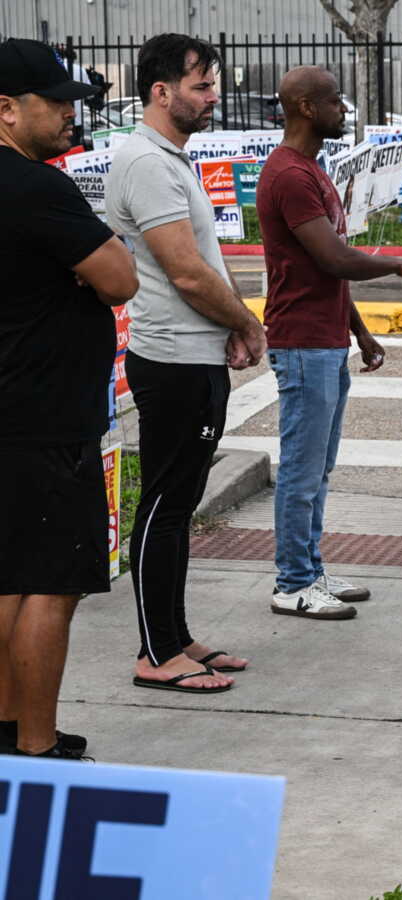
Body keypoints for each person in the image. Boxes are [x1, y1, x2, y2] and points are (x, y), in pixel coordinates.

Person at [106, 34, 267, 693]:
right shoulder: (147, 162)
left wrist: (227, 327)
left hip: (195, 354)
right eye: (201, 87)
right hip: (171, 358)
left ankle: (175, 637)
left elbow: (204, 263)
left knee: (180, 501)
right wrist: (245, 320)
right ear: (161, 92)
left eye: (213, 85)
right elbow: (186, 274)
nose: (214, 97)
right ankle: (154, 653)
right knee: (166, 505)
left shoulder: (171, 159)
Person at [0, 38, 138, 757]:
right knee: (51, 584)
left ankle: (6, 730)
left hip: (12, 411)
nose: (66, 114)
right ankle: (37, 744)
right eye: (52, 102)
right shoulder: (34, 186)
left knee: (6, 580)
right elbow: (119, 278)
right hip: (43, 415)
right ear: (6, 109)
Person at [256, 66, 402, 619]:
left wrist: (360, 330)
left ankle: (310, 569)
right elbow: (332, 258)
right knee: (302, 470)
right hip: (302, 344)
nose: (343, 109)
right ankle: (293, 583)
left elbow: (325, 272)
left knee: (319, 468)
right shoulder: (288, 175)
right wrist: (396, 264)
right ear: (305, 106)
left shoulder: (311, 169)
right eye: (333, 101)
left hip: (326, 340)